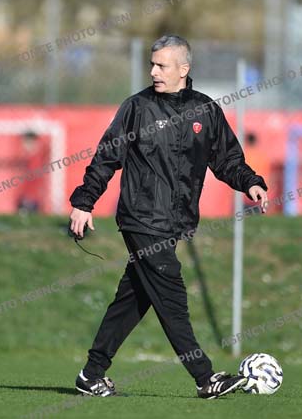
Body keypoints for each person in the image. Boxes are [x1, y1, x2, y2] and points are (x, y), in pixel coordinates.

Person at [68, 35, 268, 399]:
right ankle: (205, 378)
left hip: (174, 223)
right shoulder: (137, 108)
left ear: (183, 69)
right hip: (141, 219)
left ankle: (91, 375)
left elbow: (227, 159)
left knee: (133, 299)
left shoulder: (205, 110)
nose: (153, 72)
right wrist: (84, 201)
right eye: (152, 64)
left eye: (162, 65)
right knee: (172, 298)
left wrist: (250, 182)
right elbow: (106, 158)